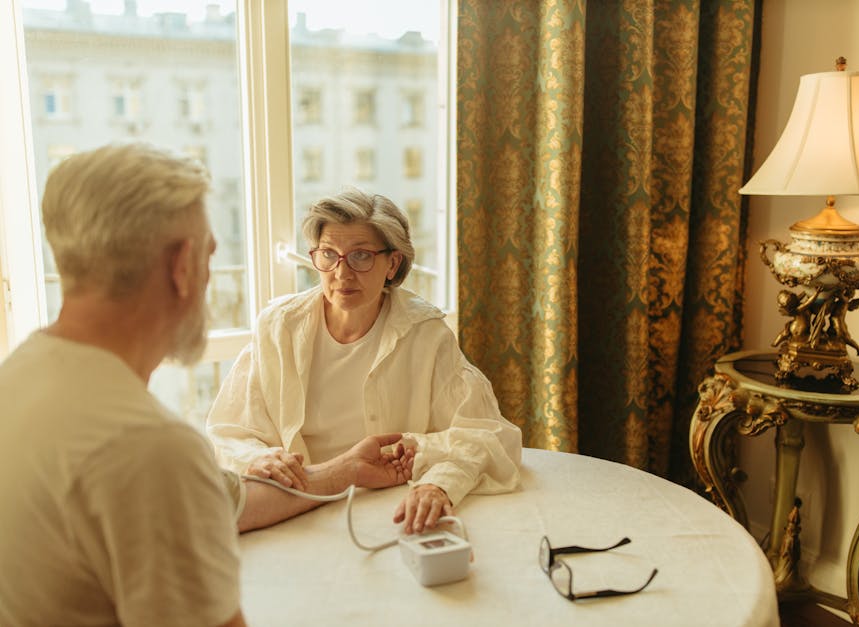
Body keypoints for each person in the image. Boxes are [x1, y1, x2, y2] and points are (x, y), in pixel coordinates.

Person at [0, 143, 414, 627]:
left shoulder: (18, 378)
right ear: (182, 266)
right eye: (210, 255)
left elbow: (227, 500)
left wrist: (343, 470)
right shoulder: (151, 450)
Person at [207, 188, 522, 534]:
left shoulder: (427, 335)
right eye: (329, 254)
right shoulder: (278, 326)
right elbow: (228, 431)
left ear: (393, 263)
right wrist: (258, 458)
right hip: (294, 508)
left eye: (360, 256)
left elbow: (487, 434)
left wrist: (438, 483)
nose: (342, 274)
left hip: (388, 511)